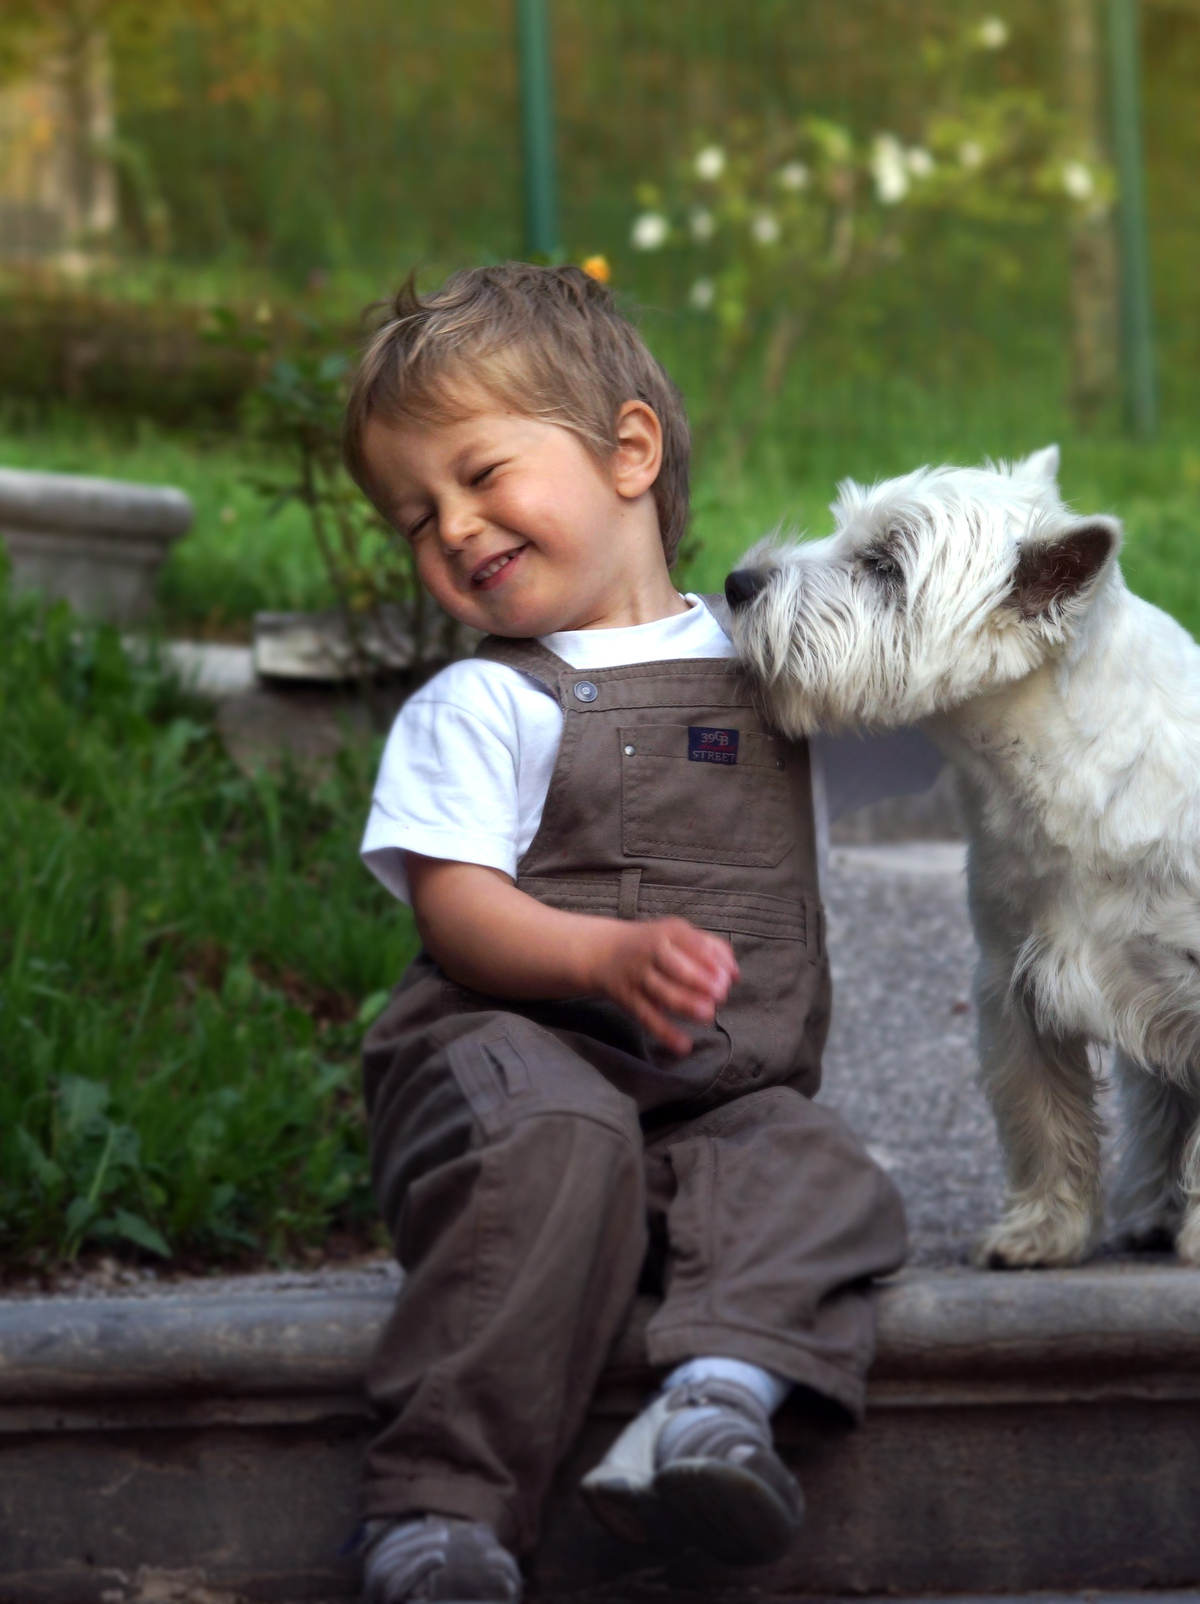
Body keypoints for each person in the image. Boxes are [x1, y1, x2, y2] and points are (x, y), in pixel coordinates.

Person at [342, 263, 908, 1604]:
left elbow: (993, 701)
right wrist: (600, 956)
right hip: (507, 1075)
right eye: (417, 517)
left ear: (628, 451)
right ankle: (435, 1512)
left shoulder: (786, 670)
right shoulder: (482, 706)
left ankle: (711, 1408)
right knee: (563, 1136)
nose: (455, 529)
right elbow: (460, 911)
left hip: (713, 1098)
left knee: (828, 1169)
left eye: (481, 474)